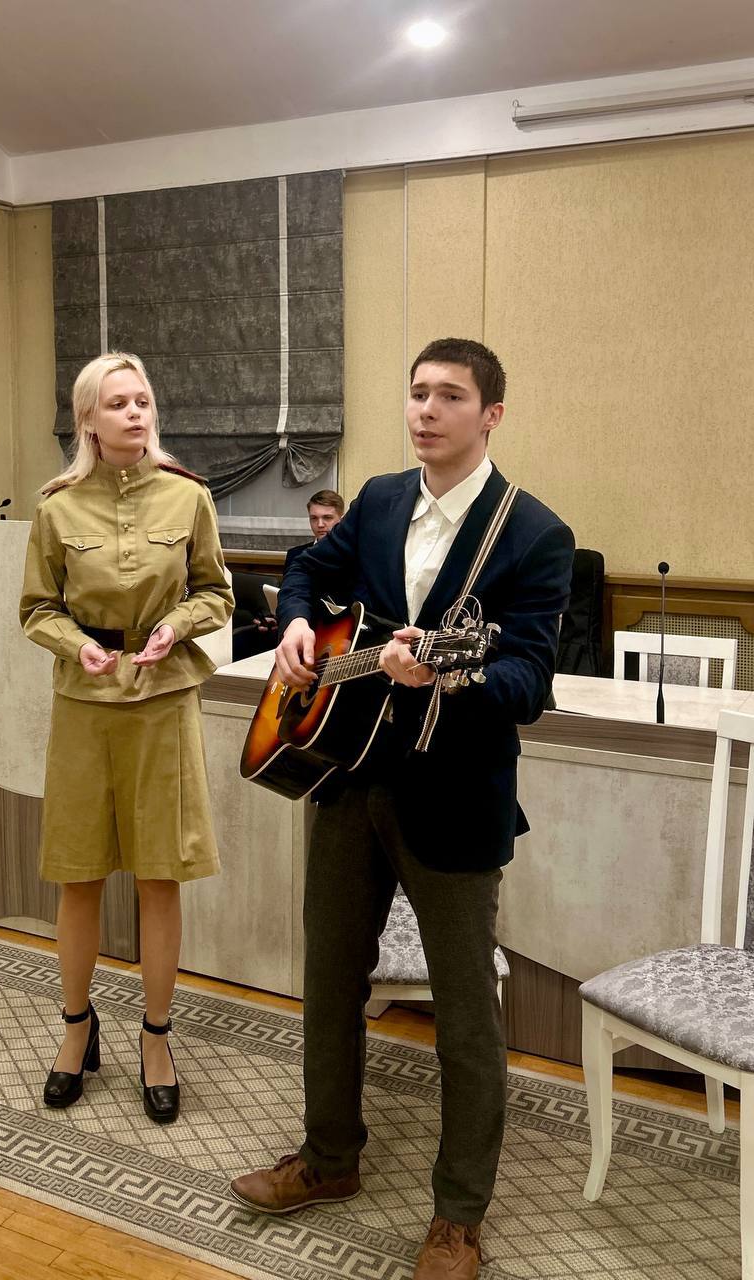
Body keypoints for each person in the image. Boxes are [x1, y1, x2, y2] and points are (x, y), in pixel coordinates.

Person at [230, 338, 574, 1279]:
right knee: (329, 981)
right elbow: (306, 568)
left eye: (449, 396)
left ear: (490, 415)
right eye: (417, 392)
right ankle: (328, 1158)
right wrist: (295, 623)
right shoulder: (380, 499)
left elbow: (528, 680)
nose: (425, 409)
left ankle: (458, 1217)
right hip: (348, 779)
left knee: (465, 1017)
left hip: (455, 801)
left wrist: (451, 677)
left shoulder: (532, 533)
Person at [19, 351, 233, 1125]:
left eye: (142, 400)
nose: (135, 412)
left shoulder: (188, 497)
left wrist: (176, 623)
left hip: (163, 699)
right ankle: (77, 1029)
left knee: (157, 876)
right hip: (84, 703)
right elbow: (36, 608)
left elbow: (216, 593)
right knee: (77, 876)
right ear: (88, 420)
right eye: (118, 403)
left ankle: (155, 1038)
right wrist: (74, 644)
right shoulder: (56, 508)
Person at [283, 488, 346, 571]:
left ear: (341, 520)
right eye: (314, 518)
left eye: (327, 517)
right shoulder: (295, 555)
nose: (320, 525)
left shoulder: (353, 555)